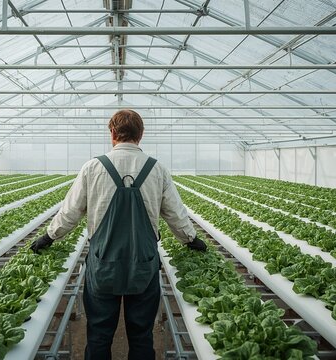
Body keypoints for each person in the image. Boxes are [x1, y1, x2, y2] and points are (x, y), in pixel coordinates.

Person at [30, 109, 207, 360]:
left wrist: (49, 236)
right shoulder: (156, 169)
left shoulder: (93, 167)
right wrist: (191, 239)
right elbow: (175, 214)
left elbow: (70, 212)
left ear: (112, 133)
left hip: (103, 265)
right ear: (141, 135)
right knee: (141, 335)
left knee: (99, 334)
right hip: (143, 266)